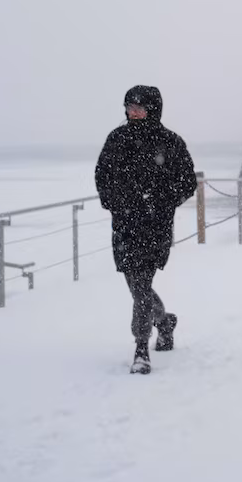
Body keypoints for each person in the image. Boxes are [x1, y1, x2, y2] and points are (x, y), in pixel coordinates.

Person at [95, 85, 197, 374]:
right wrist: (116, 203)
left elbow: (187, 182)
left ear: (153, 109)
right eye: (130, 107)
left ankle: (141, 349)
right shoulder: (117, 139)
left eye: (139, 108)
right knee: (137, 285)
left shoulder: (170, 142)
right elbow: (102, 176)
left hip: (155, 226)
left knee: (141, 286)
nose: (133, 112)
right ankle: (164, 322)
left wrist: (160, 201)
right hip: (125, 225)